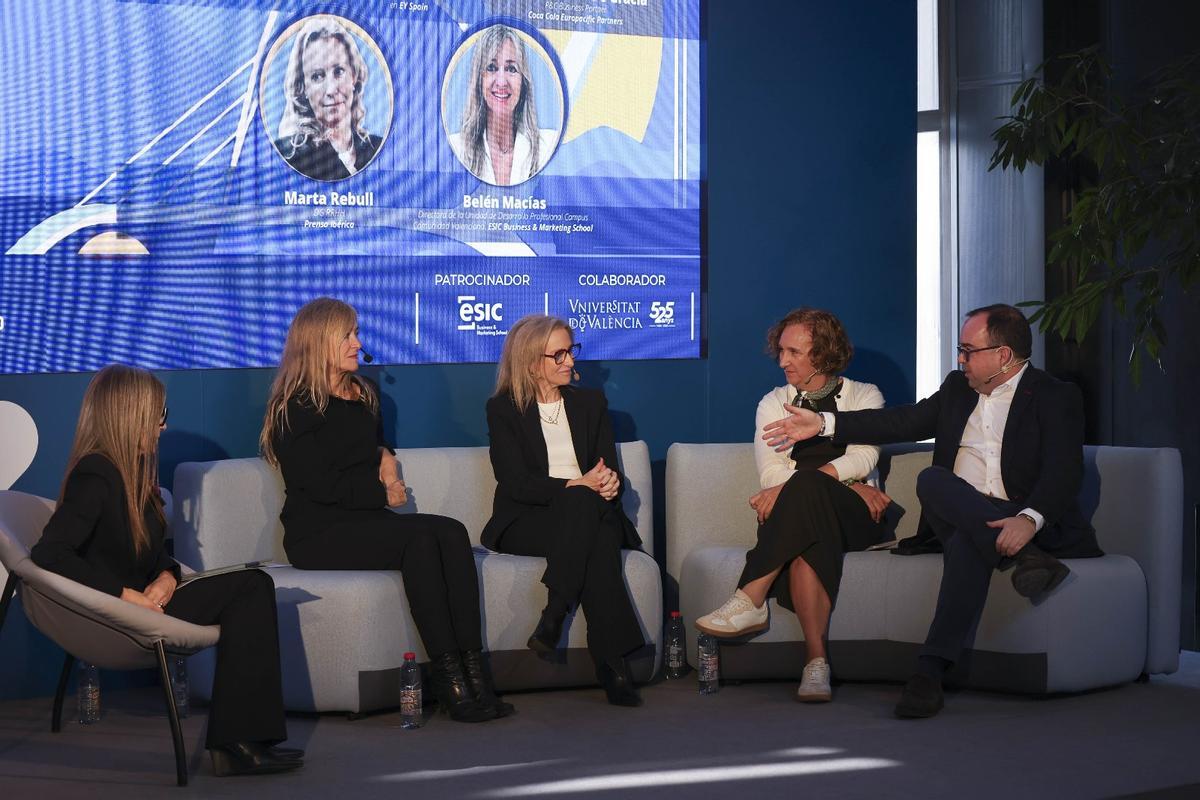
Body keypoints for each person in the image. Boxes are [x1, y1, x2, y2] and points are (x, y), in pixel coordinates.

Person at [764, 303, 1103, 718]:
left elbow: (1063, 472)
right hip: (957, 506)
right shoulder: (958, 389)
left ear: (1003, 355)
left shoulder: (1055, 395)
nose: (960, 360)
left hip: (1016, 515)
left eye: (968, 351)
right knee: (933, 480)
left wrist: (1027, 520)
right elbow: (901, 422)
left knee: (966, 541)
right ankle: (1027, 560)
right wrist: (824, 424)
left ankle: (929, 672)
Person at [31, 365, 302, 777]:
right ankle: (236, 743)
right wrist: (126, 595)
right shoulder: (95, 474)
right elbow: (50, 553)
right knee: (251, 588)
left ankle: (244, 739)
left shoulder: (132, 474)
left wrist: (166, 577)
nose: (163, 426)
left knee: (254, 585)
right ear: (130, 416)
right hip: (121, 613)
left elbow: (152, 554)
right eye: (158, 416)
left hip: (150, 602)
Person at [259, 297, 511, 722]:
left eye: (356, 333)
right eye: (347, 335)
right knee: (419, 541)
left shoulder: (363, 394)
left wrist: (385, 456)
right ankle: (450, 682)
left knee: (450, 531)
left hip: (365, 521)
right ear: (319, 342)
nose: (358, 343)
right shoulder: (293, 407)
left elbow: (361, 447)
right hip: (317, 531)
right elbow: (317, 484)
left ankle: (475, 675)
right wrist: (382, 495)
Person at [694, 308, 890, 702]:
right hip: (803, 515)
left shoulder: (865, 395)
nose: (783, 361)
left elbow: (865, 456)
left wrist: (825, 484)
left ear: (824, 353)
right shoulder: (773, 402)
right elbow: (771, 475)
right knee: (805, 542)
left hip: (857, 516)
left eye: (794, 352)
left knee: (805, 492)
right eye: (781, 351)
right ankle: (816, 665)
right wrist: (851, 485)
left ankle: (750, 596)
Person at [482, 315, 645, 707]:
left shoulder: (590, 403)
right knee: (588, 515)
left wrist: (610, 483)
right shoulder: (503, 409)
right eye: (559, 354)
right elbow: (515, 482)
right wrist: (576, 486)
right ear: (530, 361)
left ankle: (555, 614)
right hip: (527, 520)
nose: (570, 361)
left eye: (571, 351)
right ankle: (613, 664)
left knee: (592, 518)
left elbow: (607, 469)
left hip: (589, 514)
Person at [273, 15, 384, 181]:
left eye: (339, 71)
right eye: (317, 76)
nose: (331, 89)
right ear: (303, 87)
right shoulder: (287, 156)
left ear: (353, 75)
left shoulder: (379, 149)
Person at [447, 25, 559, 186]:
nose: (501, 81)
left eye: (511, 69)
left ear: (523, 82)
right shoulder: (454, 149)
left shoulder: (549, 146)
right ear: (479, 80)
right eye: (491, 68)